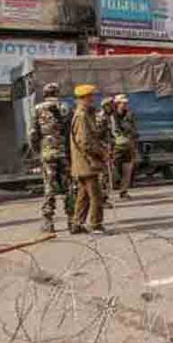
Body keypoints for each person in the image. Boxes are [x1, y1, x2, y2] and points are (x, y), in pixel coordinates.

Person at [28, 82, 74, 234]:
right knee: (69, 186)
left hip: (48, 153)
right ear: (57, 93)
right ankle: (73, 220)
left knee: (49, 187)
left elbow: (33, 134)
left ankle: (48, 222)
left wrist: (37, 150)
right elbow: (72, 132)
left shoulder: (38, 109)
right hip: (65, 152)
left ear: (45, 93)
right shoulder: (66, 107)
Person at [70, 84, 106, 235]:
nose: (93, 98)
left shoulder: (83, 114)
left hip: (83, 162)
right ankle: (96, 225)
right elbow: (85, 142)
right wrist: (102, 153)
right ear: (83, 98)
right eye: (90, 96)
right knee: (96, 196)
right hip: (87, 162)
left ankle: (77, 224)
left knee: (83, 195)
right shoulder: (82, 116)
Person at [112, 94, 138, 200]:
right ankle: (107, 194)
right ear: (117, 104)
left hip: (128, 146)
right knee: (114, 172)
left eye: (126, 103)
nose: (125, 105)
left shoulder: (130, 115)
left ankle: (123, 191)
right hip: (115, 147)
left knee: (127, 170)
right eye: (123, 103)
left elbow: (134, 130)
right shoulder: (112, 116)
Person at [96, 96, 116, 207]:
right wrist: (104, 148)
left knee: (107, 175)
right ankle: (101, 199)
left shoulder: (109, 117)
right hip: (103, 150)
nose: (113, 107)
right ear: (106, 106)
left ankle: (104, 196)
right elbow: (98, 136)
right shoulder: (101, 118)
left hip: (108, 149)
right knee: (103, 175)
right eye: (111, 105)